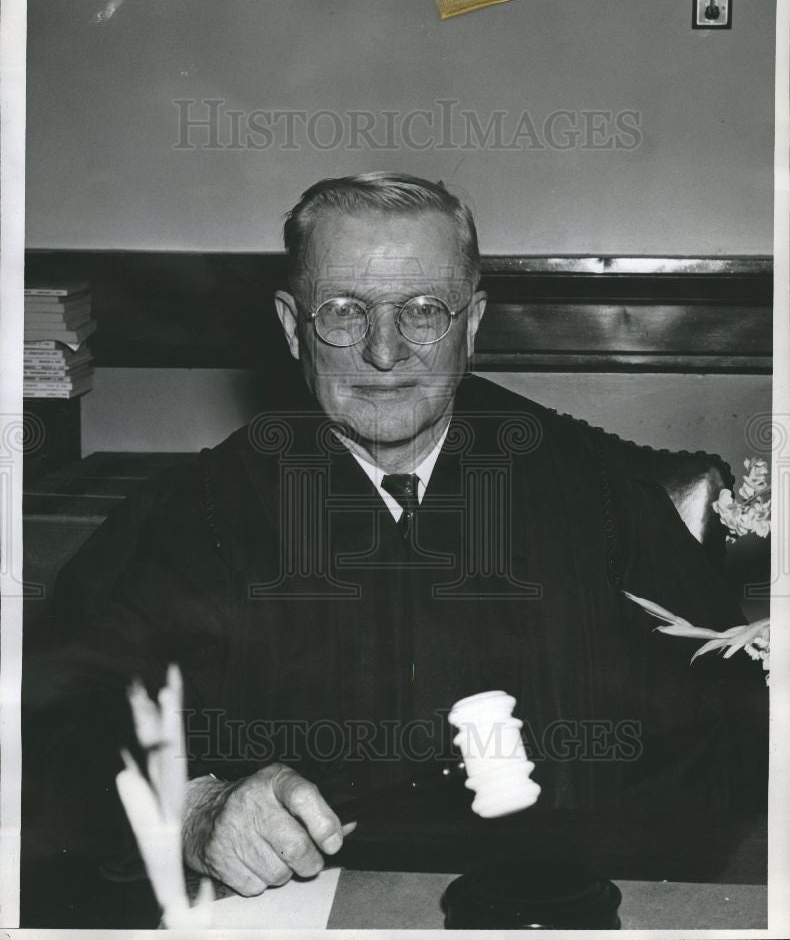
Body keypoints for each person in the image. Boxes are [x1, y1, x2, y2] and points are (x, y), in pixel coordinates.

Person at [23, 173, 766, 913]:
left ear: (472, 323)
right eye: (344, 311)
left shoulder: (598, 493)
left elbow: (725, 730)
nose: (384, 353)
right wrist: (192, 808)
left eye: (422, 311)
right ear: (291, 326)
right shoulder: (198, 513)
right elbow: (58, 719)